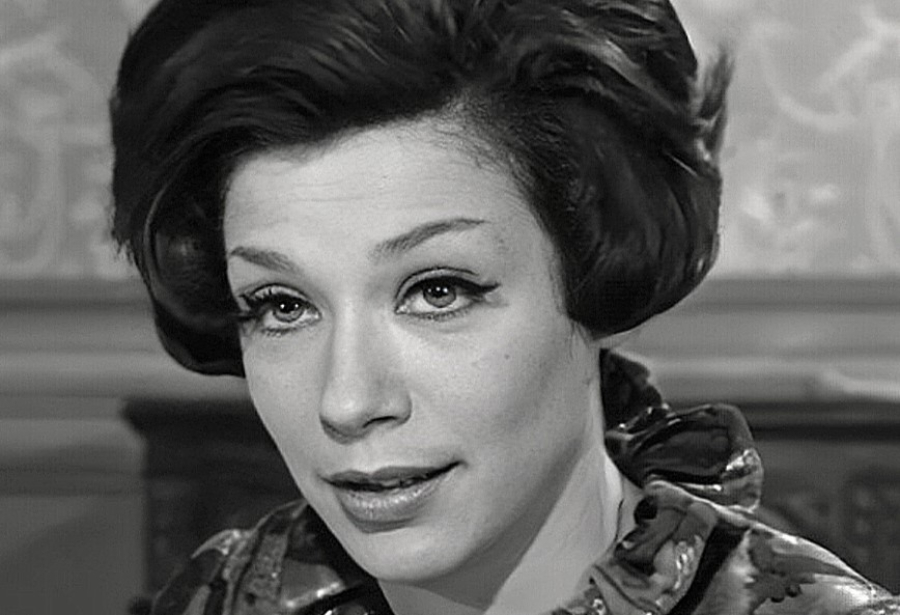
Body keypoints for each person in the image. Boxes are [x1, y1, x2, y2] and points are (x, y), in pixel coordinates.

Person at [109, 1, 899, 614]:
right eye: (282, 305)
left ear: (595, 271)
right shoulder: (226, 594)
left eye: (437, 291)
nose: (347, 400)